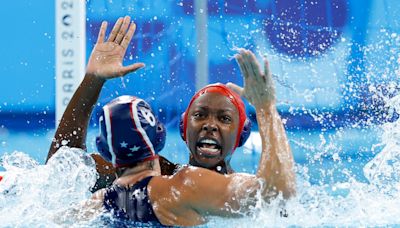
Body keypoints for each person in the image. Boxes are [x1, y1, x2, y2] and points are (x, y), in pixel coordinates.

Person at [46, 16, 295, 200]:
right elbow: (63, 169)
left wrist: (266, 109)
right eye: (200, 115)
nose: (210, 125)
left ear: (241, 135)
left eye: (224, 119)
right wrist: (93, 79)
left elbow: (282, 195)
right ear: (184, 128)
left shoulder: (245, 192)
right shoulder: (153, 175)